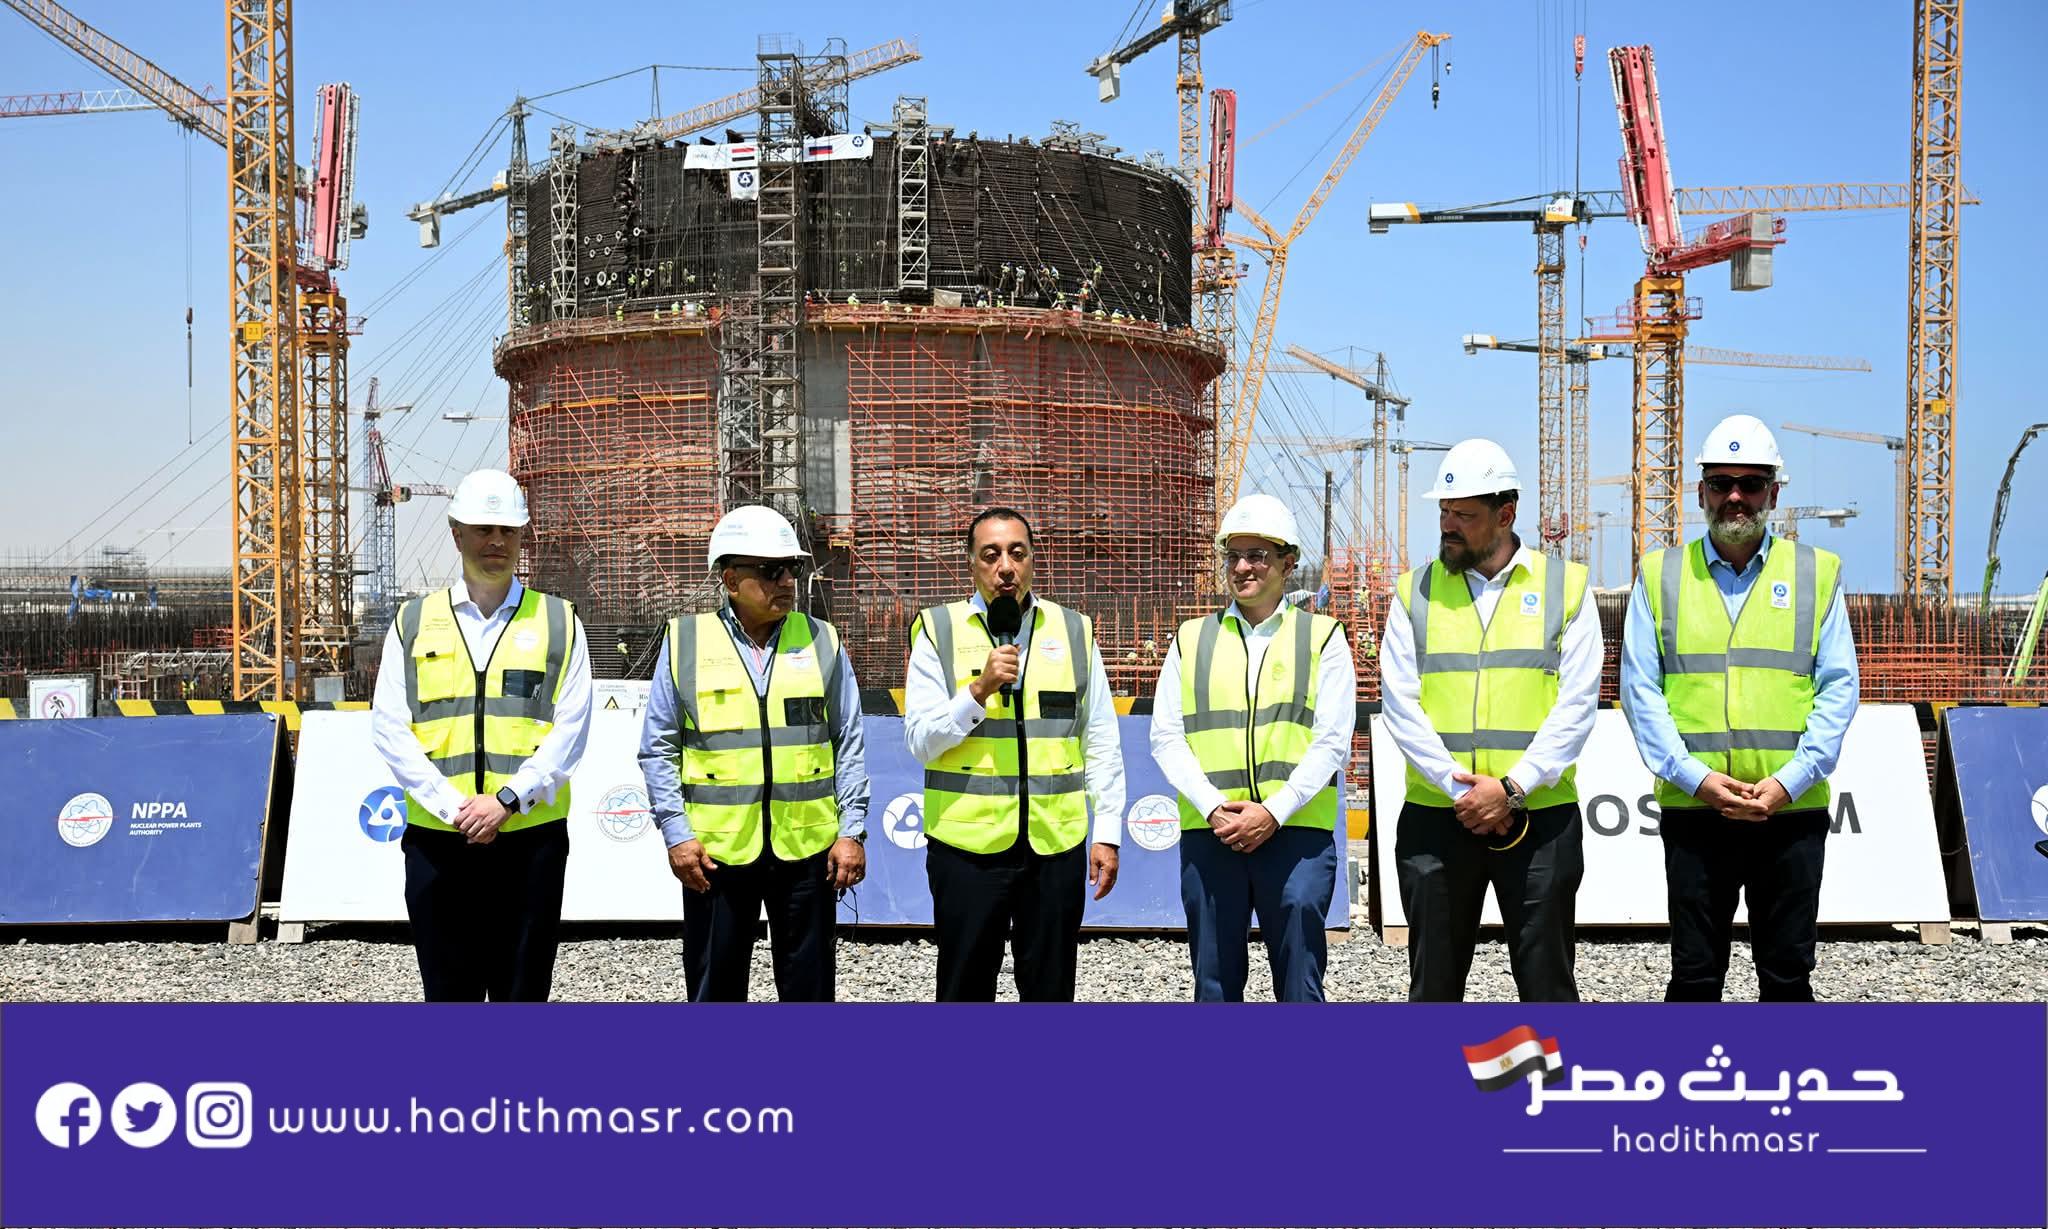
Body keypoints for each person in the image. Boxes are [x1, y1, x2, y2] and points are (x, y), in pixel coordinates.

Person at [1620, 414, 1858, 1002]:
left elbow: (1838, 687)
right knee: (1695, 978)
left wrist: (1790, 781)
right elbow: (1640, 690)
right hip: (1695, 808)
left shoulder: (1815, 574)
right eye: (1720, 482)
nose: (1734, 496)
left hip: (1790, 810)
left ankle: (1783, 1067)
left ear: (1773, 494)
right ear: (1700, 491)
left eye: (1750, 483)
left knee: (1788, 977)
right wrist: (1694, 778)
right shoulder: (1661, 575)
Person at [1380, 439, 1600, 1002]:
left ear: (1506, 514)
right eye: (1444, 511)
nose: (1447, 525)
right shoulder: (1414, 591)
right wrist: (1465, 792)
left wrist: (1512, 789)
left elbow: (1576, 705)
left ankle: (1554, 1067)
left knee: (1548, 986)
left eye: (1464, 515)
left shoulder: (1565, 588)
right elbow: (1400, 704)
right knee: (1433, 990)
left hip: (1540, 818)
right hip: (1438, 816)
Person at [371, 468, 592, 1002]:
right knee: (449, 994)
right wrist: (454, 808)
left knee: (523, 993)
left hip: (530, 841)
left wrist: (508, 801)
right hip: (439, 841)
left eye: (508, 530)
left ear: (521, 536)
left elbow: (572, 728)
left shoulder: (559, 621)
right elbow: (390, 726)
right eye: (483, 529)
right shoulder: (412, 621)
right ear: (457, 534)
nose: (497, 541)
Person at [637, 505, 868, 1002]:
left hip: (807, 850)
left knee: (810, 993)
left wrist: (851, 831)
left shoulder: (823, 641)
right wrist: (677, 835)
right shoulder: (685, 641)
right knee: (715, 991)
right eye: (770, 570)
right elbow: (658, 748)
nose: (786, 581)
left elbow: (848, 740)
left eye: (792, 568)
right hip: (715, 853)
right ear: (730, 580)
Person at [904, 507, 1123, 1001]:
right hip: (966, 848)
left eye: (1017, 553)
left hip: (1054, 845)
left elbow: (1101, 740)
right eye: (991, 555)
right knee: (964, 991)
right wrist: (977, 692)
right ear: (971, 563)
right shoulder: (938, 630)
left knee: (1050, 991)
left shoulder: (1074, 631)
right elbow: (920, 740)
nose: (1005, 567)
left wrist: (1107, 833)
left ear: (1032, 560)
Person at [1149, 494, 1357, 1001]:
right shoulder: (1191, 639)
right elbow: (1166, 736)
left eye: (1258, 555)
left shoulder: (1323, 638)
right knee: (1214, 987)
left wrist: (1274, 812)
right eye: (1234, 556)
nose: (1242, 567)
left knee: (1300, 986)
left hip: (1296, 831)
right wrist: (1214, 807)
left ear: (1289, 563)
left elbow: (1332, 741)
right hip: (1212, 832)